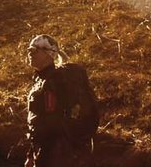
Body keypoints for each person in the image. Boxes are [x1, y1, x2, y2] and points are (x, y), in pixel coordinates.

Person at [25, 34, 98, 167]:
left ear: (49, 54)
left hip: (54, 151)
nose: (30, 53)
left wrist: (40, 157)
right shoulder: (41, 79)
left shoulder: (53, 82)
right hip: (47, 148)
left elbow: (52, 123)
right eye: (29, 49)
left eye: (35, 50)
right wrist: (31, 154)